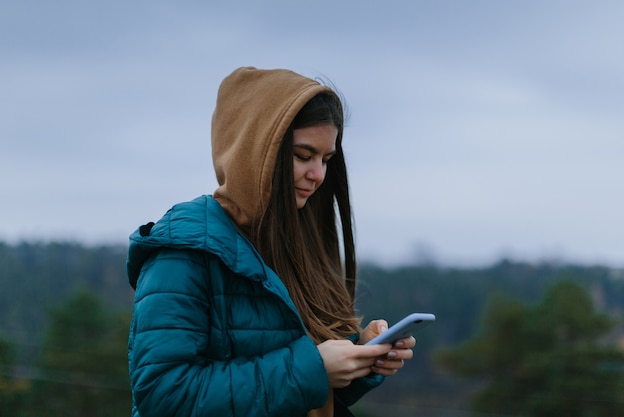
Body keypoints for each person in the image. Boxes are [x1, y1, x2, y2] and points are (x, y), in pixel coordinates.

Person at [126, 66, 416, 417]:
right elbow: (164, 396)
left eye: (326, 160)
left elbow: (294, 394)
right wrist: (312, 369)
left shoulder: (294, 245)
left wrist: (360, 359)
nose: (318, 175)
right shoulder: (182, 253)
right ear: (254, 151)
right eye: (302, 156)